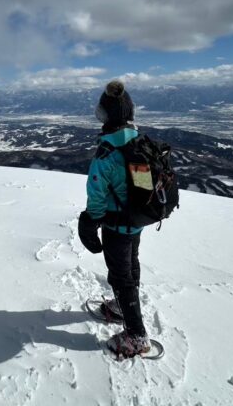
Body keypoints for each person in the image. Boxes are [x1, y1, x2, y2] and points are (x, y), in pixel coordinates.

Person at [78, 79, 150, 358]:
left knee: (120, 277)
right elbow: (140, 186)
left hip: (116, 226)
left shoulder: (106, 154)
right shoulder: (138, 144)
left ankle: (137, 335)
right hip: (137, 221)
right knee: (131, 265)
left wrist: (89, 222)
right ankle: (122, 307)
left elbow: (96, 198)